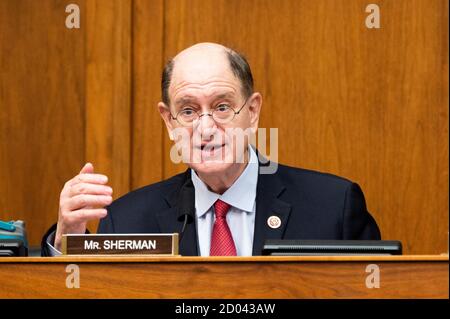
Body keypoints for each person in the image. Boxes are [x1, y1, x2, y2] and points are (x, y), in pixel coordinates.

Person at [41, 42, 380, 256]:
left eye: (221, 107)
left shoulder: (334, 207)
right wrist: (67, 243)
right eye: (188, 111)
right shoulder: (128, 220)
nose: (205, 129)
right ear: (169, 122)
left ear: (252, 112)